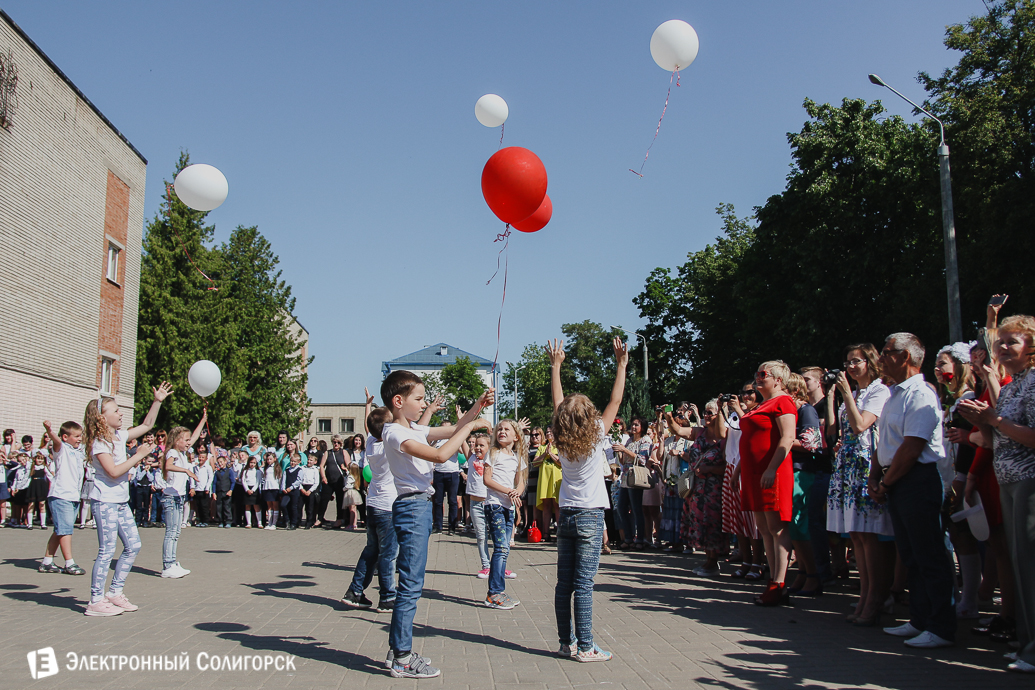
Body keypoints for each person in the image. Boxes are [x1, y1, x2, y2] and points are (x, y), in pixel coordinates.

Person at [379, 370, 492, 679]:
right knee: (411, 584)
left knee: (411, 582)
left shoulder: (413, 428)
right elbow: (442, 455)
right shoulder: (395, 433)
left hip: (419, 506)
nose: (423, 404)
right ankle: (402, 657)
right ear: (398, 401)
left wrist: (478, 406)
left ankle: (397, 649)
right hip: (412, 508)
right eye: (419, 399)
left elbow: (454, 428)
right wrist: (471, 427)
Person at [959, 315, 1035, 672]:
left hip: (1028, 481)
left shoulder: (1033, 382)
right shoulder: (1015, 384)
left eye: (1012, 341)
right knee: (1019, 563)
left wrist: (994, 420)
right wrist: (981, 422)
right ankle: (1025, 643)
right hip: (1008, 481)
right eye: (1000, 341)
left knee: (1029, 563)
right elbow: (995, 438)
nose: (1002, 347)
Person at [871, 332, 955, 649]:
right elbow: (885, 443)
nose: (881, 357)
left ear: (905, 356)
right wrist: (875, 477)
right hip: (896, 480)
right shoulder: (894, 394)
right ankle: (920, 619)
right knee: (911, 555)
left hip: (916, 480)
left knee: (929, 555)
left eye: (886, 351)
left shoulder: (920, 394)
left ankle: (941, 626)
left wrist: (886, 482)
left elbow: (911, 447)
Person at [547, 336, 626, 662]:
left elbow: (558, 403)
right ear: (590, 416)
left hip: (566, 514)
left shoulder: (561, 438)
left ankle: (565, 642)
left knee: (563, 584)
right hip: (590, 515)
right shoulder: (597, 435)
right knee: (584, 584)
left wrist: (556, 367)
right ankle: (586, 646)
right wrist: (621, 365)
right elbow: (616, 400)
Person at [84, 382, 170, 616]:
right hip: (105, 501)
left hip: (121, 502)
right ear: (102, 418)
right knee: (107, 550)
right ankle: (95, 600)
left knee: (133, 545)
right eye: (116, 410)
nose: (121, 413)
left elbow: (147, 425)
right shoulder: (100, 443)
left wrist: (157, 401)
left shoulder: (119, 436)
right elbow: (113, 471)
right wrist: (139, 456)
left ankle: (115, 591)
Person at [826, 344, 893, 624]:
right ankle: (865, 596)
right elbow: (838, 432)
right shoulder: (853, 394)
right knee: (855, 534)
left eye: (856, 361)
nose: (851, 367)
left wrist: (845, 395)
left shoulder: (879, 391)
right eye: (848, 362)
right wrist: (837, 398)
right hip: (848, 465)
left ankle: (876, 598)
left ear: (870, 362)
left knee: (868, 534)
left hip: (867, 466)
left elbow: (861, 425)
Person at [739, 361, 797, 606]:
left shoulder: (783, 401)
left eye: (764, 374)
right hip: (754, 474)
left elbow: (788, 437)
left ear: (778, 380)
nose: (758, 377)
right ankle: (772, 580)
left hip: (772, 472)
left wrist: (772, 468)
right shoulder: (762, 404)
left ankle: (779, 583)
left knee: (777, 527)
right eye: (757, 373)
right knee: (763, 528)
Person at [342, 394, 398, 610]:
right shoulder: (389, 445)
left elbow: (370, 425)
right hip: (387, 506)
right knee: (388, 554)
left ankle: (355, 591)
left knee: (371, 550)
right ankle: (387, 597)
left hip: (373, 504)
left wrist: (368, 406)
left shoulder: (371, 442)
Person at [671, 400, 728, 575]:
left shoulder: (725, 436)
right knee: (699, 523)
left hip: (715, 488)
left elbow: (728, 465)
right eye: (705, 412)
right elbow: (677, 430)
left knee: (712, 523)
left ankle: (713, 562)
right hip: (696, 488)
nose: (706, 416)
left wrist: (709, 469)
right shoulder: (699, 432)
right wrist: (667, 416)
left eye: (710, 413)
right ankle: (708, 560)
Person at [482, 419, 527, 609]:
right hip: (495, 506)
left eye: (507, 429)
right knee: (500, 548)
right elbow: (487, 479)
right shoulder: (493, 453)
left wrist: (517, 492)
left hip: (509, 508)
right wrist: (508, 491)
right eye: (499, 429)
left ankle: (498, 591)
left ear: (516, 437)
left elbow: (521, 481)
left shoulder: (517, 457)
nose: (502, 431)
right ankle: (494, 593)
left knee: (505, 549)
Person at [722, 385, 765, 581]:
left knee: (753, 522)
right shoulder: (734, 415)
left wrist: (739, 410)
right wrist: (722, 409)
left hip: (748, 468)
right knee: (737, 520)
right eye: (743, 393)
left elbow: (751, 430)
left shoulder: (759, 411)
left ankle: (758, 562)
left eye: (750, 392)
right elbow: (721, 433)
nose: (745, 396)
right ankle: (746, 560)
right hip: (732, 466)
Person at [784, 374, 822, 597]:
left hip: (803, 470)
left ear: (794, 391)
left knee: (800, 522)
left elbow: (811, 443)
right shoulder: (790, 411)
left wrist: (783, 440)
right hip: (790, 469)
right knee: (793, 524)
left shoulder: (806, 410)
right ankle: (803, 571)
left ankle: (813, 574)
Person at [39, 420, 86, 575]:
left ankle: (47, 562)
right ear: (66, 437)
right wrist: (49, 430)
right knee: (65, 531)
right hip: (60, 495)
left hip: (73, 496)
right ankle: (69, 563)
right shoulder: (62, 448)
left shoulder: (78, 451)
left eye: (80, 435)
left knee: (60, 530)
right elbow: (57, 441)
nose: (79, 439)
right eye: (76, 436)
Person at [161, 416, 205, 578]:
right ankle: (167, 565)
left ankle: (172, 562)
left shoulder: (182, 452)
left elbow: (194, 437)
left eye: (188, 440)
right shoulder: (172, 452)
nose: (188, 443)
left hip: (179, 497)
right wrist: (186, 470)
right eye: (185, 440)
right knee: (171, 532)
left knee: (176, 532)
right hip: (171, 497)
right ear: (176, 440)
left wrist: (203, 419)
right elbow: (168, 466)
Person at [613, 417, 652, 549]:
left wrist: (624, 450)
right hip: (625, 478)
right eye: (633, 424)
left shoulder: (645, 440)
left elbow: (642, 459)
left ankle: (640, 539)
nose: (633, 427)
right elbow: (623, 461)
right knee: (621, 508)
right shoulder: (629, 440)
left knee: (636, 509)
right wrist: (619, 451)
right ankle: (628, 538)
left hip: (636, 478)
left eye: (636, 425)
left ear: (643, 427)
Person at [466, 432, 492, 577]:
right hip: (475, 504)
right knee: (481, 536)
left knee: (497, 536)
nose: (477, 448)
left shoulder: (492, 460)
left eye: (482, 445)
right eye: (476, 445)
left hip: (490, 503)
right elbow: (461, 438)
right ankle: (486, 566)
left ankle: (499, 566)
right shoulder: (471, 458)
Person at [534, 428, 561, 541]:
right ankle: (546, 533)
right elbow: (535, 463)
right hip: (545, 479)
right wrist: (545, 453)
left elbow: (561, 462)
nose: (549, 434)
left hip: (557, 479)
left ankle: (560, 533)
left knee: (557, 504)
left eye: (551, 432)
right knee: (546, 506)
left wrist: (551, 453)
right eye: (547, 432)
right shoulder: (542, 448)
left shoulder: (560, 447)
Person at [319, 435, 348, 529]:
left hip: (340, 480)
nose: (336, 444)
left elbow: (349, 465)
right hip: (329, 480)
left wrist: (345, 468)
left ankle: (339, 519)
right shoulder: (328, 453)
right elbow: (321, 466)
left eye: (338, 442)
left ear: (341, 443)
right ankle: (320, 518)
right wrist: (323, 477)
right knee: (324, 499)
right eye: (334, 442)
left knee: (340, 500)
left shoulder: (343, 452)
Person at [191, 445, 214, 527]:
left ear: (206, 458)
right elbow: (193, 477)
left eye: (202, 457)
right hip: (197, 489)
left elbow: (210, 478)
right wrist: (193, 487)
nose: (201, 459)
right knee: (198, 506)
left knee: (204, 506)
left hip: (204, 490)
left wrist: (207, 488)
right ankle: (200, 520)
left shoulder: (208, 467)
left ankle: (205, 521)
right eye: (200, 457)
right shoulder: (195, 467)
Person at [212, 452, 236, 528]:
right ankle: (221, 521)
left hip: (226, 492)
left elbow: (233, 481)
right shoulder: (217, 472)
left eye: (221, 462)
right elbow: (214, 483)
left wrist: (231, 490)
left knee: (227, 507)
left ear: (225, 461)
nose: (220, 464)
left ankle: (228, 521)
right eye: (218, 462)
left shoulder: (229, 471)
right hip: (219, 492)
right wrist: (214, 492)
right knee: (219, 507)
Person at [261, 451, 282, 530]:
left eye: (270, 459)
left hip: (274, 488)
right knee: (269, 506)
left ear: (275, 459)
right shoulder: (265, 468)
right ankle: (269, 522)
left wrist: (280, 489)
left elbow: (279, 479)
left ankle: (274, 523)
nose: (269, 461)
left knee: (275, 506)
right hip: (267, 488)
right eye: (267, 459)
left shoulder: (277, 468)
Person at [240, 456, 262, 527]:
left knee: (256, 506)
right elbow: (243, 480)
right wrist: (247, 489)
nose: (252, 464)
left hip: (254, 489)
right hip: (247, 489)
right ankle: (248, 523)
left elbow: (258, 481)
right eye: (251, 462)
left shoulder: (258, 471)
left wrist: (253, 490)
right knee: (247, 506)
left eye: (254, 463)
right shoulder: (245, 471)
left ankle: (259, 522)